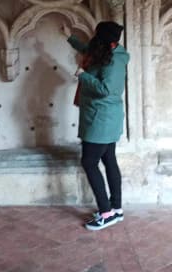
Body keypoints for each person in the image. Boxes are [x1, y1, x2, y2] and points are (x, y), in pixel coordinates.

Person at [62, 21, 130, 231]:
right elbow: (89, 50)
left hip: (101, 119)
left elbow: (106, 89)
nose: (93, 38)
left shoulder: (114, 62)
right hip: (104, 117)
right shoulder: (109, 52)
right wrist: (70, 38)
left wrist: (84, 76)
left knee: (89, 162)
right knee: (109, 160)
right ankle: (115, 209)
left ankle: (106, 212)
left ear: (103, 39)